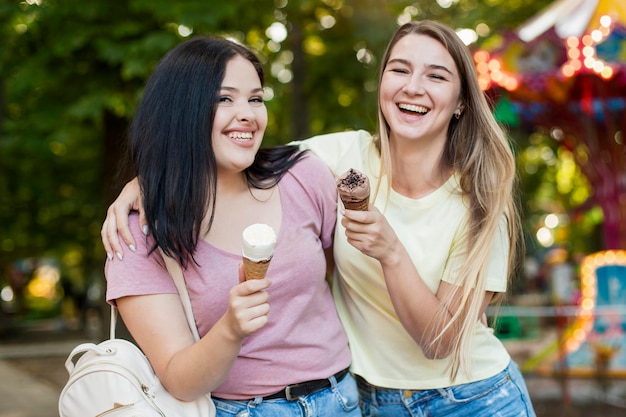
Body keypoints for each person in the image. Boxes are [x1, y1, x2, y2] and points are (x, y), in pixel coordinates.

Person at [102, 21, 536, 416]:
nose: (413, 87)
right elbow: (237, 149)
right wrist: (145, 184)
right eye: (399, 70)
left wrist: (391, 252)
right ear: (382, 83)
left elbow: (441, 343)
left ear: (462, 102)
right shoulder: (337, 159)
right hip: (370, 400)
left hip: (473, 397)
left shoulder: (478, 205)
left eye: (437, 76)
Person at [104, 36, 360, 417]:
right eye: (225, 99)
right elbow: (178, 378)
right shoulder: (138, 234)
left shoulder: (303, 176)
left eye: (255, 98)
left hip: (341, 399)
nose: (248, 114)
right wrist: (231, 329)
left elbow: (340, 267)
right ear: (181, 109)